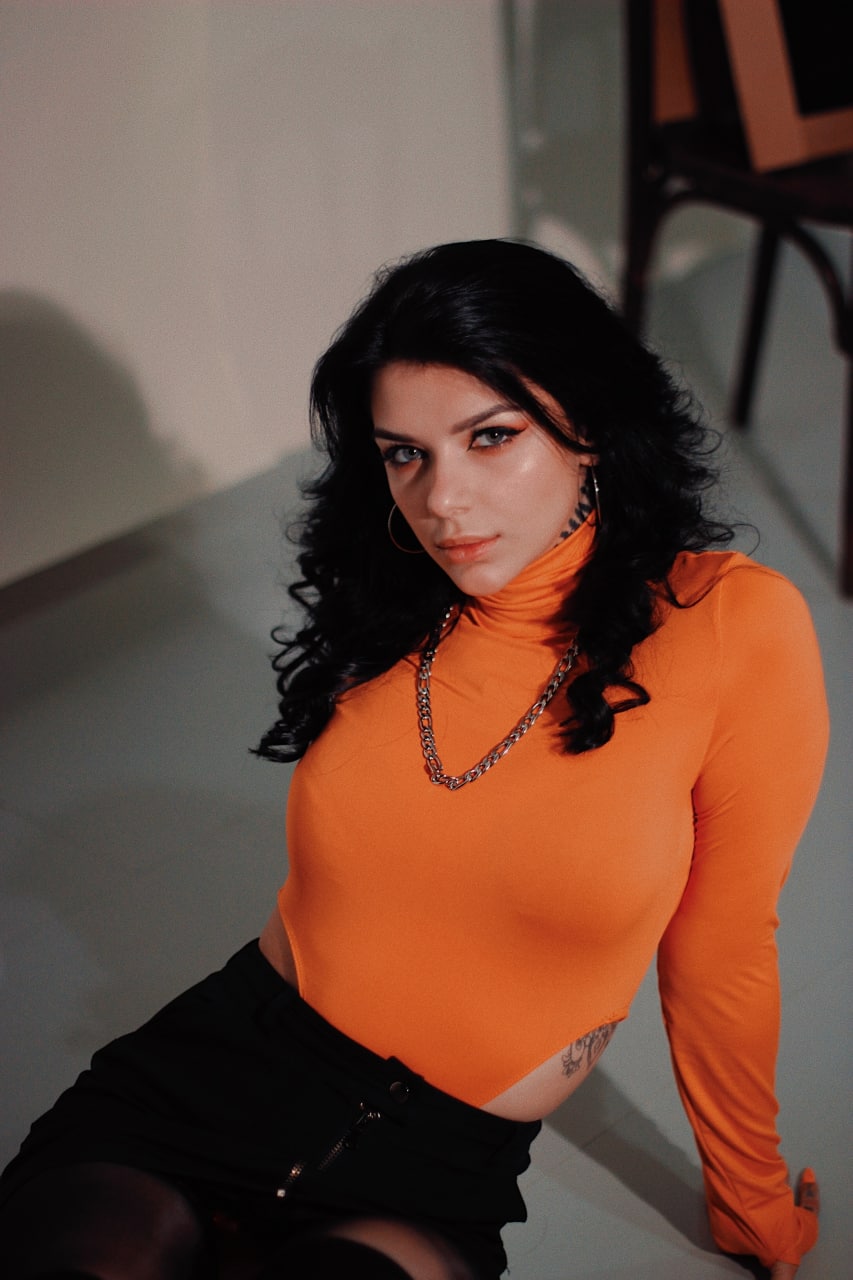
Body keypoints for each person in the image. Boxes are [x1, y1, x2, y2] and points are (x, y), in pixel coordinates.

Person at [0, 239, 827, 1279]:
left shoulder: (729, 625)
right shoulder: (393, 588)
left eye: (491, 437)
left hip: (433, 1164)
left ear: (589, 426)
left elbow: (721, 949)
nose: (442, 501)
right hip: (213, 1070)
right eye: (405, 454)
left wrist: (751, 1201)